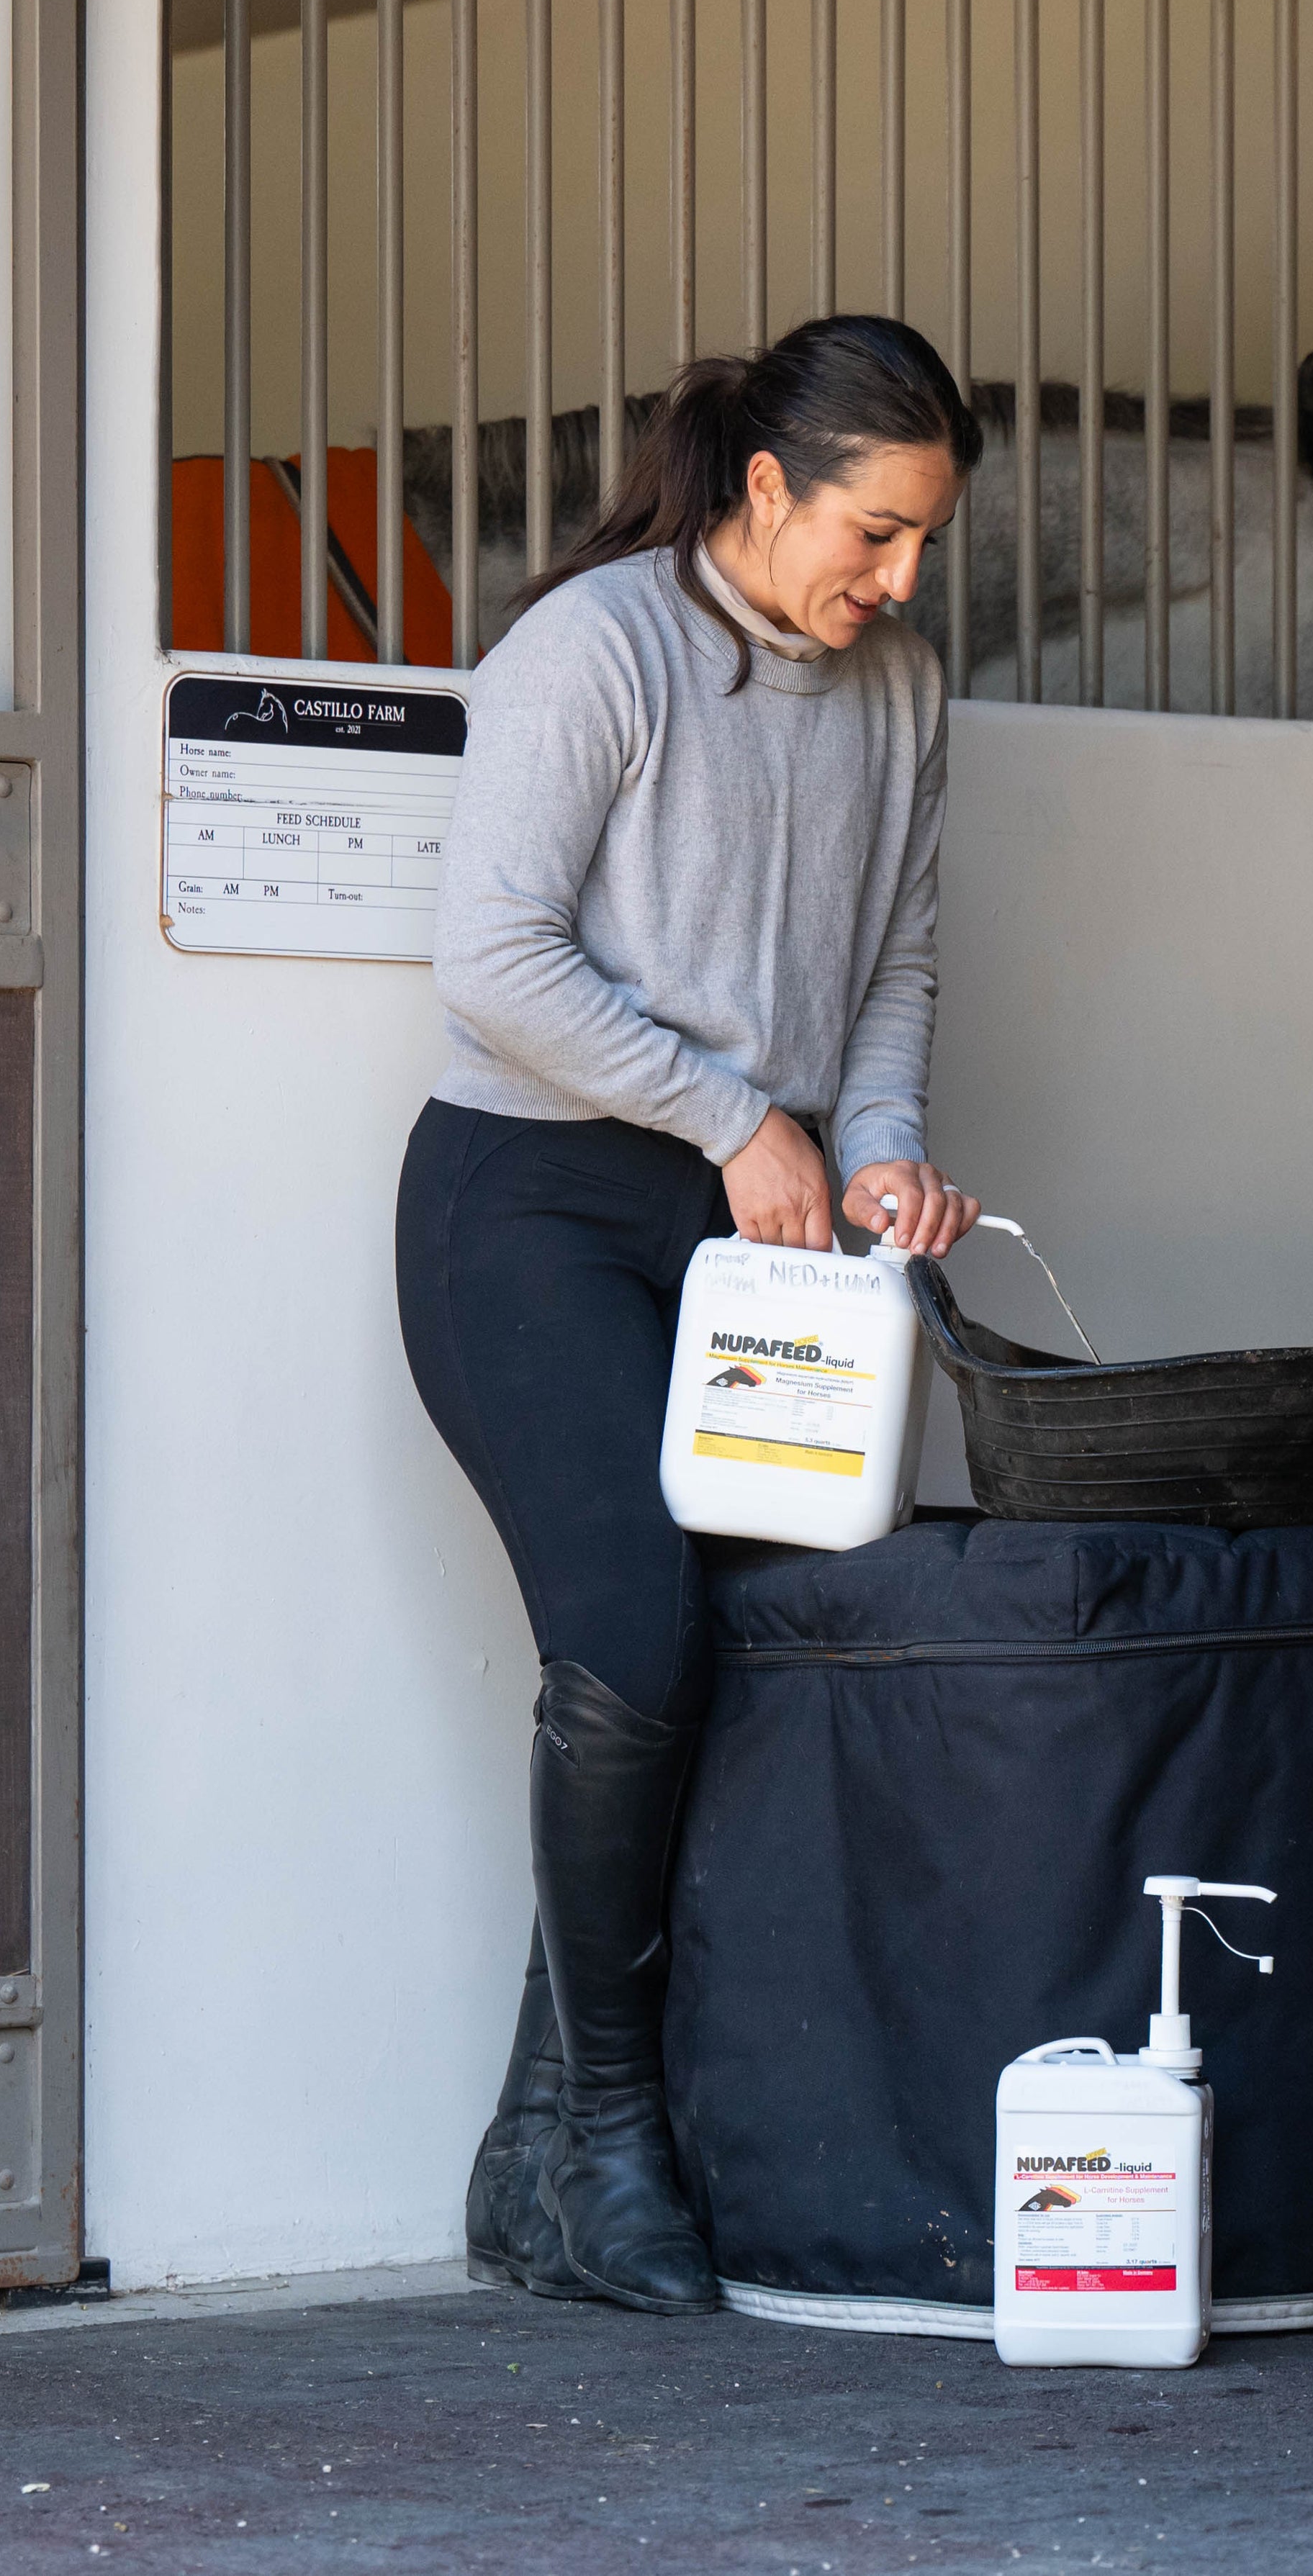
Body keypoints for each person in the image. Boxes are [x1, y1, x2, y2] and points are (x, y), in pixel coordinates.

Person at [397, 313, 987, 2315]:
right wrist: (740, 1112)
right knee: (635, 1639)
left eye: (924, 543)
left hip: (765, 1236)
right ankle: (612, 2137)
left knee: (738, 1651)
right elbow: (487, 956)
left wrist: (881, 1147)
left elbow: (894, 962)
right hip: (534, 1207)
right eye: (876, 532)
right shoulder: (601, 649)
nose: (899, 580)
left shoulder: (900, 691)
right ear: (764, 488)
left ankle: (536, 2154)